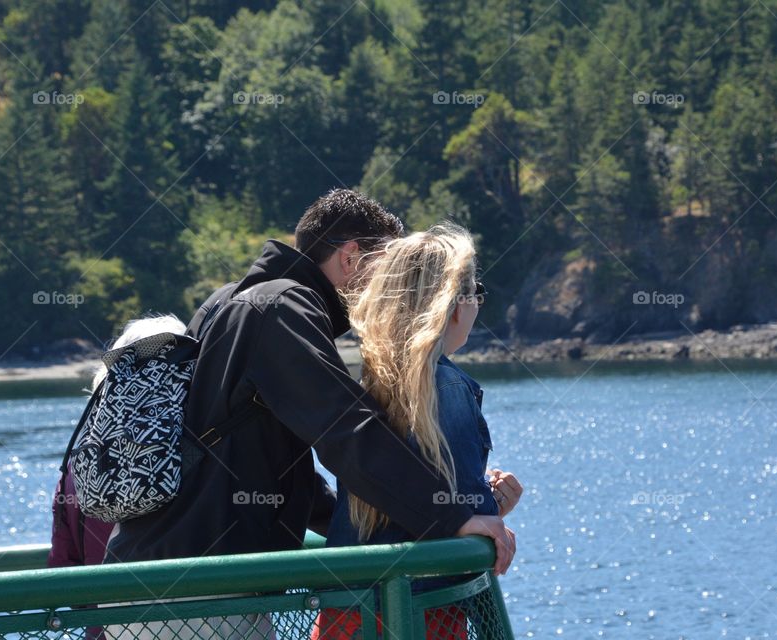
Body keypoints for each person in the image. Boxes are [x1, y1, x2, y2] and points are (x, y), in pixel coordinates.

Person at [104, 190, 515, 575]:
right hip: (199, 584)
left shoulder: (232, 300)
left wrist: (360, 522)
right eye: (387, 264)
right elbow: (346, 429)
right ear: (351, 256)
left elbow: (265, 458)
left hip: (155, 563)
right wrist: (451, 518)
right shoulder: (280, 309)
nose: (393, 283)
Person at [312, 224, 523, 640]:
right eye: (475, 291)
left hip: (344, 615)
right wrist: (495, 506)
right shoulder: (448, 387)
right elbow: (465, 521)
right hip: (422, 619)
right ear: (454, 305)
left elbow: (390, 492)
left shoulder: (353, 369)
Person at [49, 315, 186, 640]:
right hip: (202, 626)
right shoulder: (198, 456)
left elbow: (64, 576)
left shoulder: (78, 466)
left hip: (107, 632)